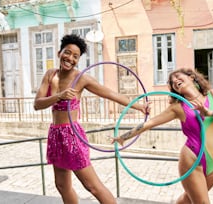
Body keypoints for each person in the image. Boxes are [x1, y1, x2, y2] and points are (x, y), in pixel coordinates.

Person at [33, 34, 149, 204]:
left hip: (72, 135)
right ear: (59, 53)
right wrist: (59, 96)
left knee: (92, 186)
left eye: (75, 56)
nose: (70, 58)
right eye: (67, 53)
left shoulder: (81, 78)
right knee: (61, 185)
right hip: (55, 135)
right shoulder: (50, 75)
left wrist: (139, 106)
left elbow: (110, 94)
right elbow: (37, 104)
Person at [112, 68, 213, 204]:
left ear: (192, 78)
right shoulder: (178, 108)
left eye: (177, 76)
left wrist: (210, 113)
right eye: (172, 82)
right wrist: (123, 137)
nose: (175, 80)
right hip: (193, 159)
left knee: (188, 199)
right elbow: (149, 123)